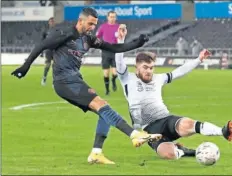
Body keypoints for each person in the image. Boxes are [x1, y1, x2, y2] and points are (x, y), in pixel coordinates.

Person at [11, 7, 162, 164]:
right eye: (90, 24)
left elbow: (113, 47)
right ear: (80, 21)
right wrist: (25, 66)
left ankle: (96, 153)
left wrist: (137, 43)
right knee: (101, 105)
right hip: (64, 81)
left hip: (75, 79)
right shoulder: (65, 34)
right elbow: (41, 46)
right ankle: (134, 135)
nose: (92, 28)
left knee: (104, 110)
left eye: (94, 24)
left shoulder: (88, 39)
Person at [114, 28, 232, 160]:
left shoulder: (158, 78)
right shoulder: (127, 79)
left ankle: (222, 131)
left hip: (166, 120)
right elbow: (119, 62)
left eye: (151, 68)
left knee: (187, 125)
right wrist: (120, 40)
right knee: (169, 154)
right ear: (137, 67)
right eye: (145, 67)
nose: (149, 71)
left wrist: (198, 60)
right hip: (148, 129)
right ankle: (183, 151)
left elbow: (179, 71)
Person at [96, 10, 120, 95]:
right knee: (106, 73)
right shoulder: (103, 27)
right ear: (108, 17)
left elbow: (122, 38)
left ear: (116, 17)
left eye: (114, 17)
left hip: (115, 51)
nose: (112, 18)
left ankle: (113, 80)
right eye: (111, 17)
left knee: (115, 73)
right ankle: (107, 90)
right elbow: (97, 37)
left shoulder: (119, 27)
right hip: (105, 52)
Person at [41, 17, 55, 86]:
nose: (52, 22)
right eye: (51, 21)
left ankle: (54, 81)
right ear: (49, 22)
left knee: (55, 66)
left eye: (53, 21)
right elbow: (42, 42)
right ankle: (44, 78)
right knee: (48, 65)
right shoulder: (46, 31)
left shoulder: (57, 31)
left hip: (55, 50)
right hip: (48, 50)